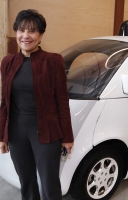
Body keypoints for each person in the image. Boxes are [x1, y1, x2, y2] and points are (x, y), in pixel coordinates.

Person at [0, 9, 74, 200]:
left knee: (49, 182)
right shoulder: (7, 62)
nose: (26, 36)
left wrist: (67, 136)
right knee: (26, 180)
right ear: (16, 33)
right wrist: (2, 135)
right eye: (21, 30)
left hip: (46, 131)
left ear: (40, 35)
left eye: (32, 31)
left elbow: (61, 100)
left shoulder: (53, 61)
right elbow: (5, 102)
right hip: (17, 132)